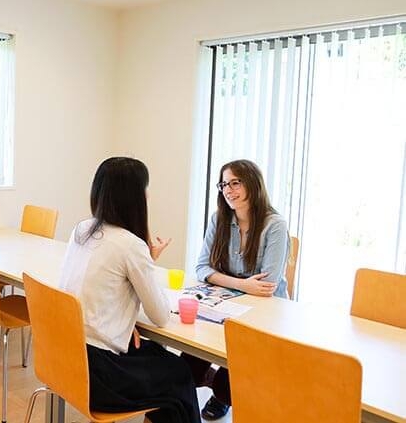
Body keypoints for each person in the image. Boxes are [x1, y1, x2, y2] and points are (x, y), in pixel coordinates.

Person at [59, 157, 201, 423]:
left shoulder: (82, 229)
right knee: (179, 373)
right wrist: (145, 257)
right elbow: (159, 316)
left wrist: (125, 319)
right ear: (134, 197)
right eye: (145, 189)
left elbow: (97, 285)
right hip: (98, 372)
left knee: (158, 356)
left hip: (66, 355)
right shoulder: (130, 245)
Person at [184, 159, 289, 420]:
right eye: (224, 184)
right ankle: (203, 389)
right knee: (187, 364)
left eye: (235, 182)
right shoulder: (219, 218)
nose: (228, 190)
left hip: (264, 313)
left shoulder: (274, 225)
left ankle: (222, 392)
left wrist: (222, 279)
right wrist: (242, 284)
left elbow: (267, 286)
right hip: (225, 304)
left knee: (231, 377)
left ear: (252, 183)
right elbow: (201, 268)